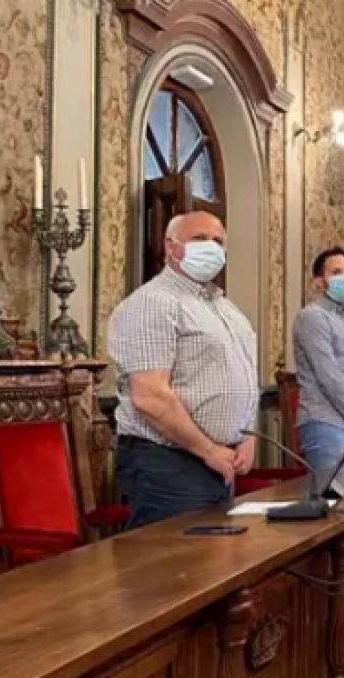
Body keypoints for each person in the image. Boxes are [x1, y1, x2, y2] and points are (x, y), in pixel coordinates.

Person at [108, 211, 258, 529]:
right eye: (200, 239)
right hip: (170, 463)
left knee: (215, 571)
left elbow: (245, 375)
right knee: (171, 572)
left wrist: (247, 435)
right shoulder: (153, 302)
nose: (212, 247)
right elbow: (150, 396)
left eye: (218, 241)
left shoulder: (227, 309)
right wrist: (208, 450)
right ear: (171, 247)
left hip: (221, 461)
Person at [292, 247, 344, 471]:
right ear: (319, 281)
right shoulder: (312, 317)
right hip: (324, 422)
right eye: (337, 272)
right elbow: (328, 374)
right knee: (331, 499)